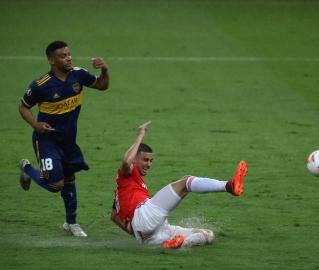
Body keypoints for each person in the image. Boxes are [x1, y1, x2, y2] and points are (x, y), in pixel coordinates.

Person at [18, 40, 110, 237]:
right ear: (52, 60)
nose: (68, 58)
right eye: (63, 56)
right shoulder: (41, 85)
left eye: (69, 54)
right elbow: (23, 106)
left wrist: (104, 71)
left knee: (69, 179)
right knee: (55, 184)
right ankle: (27, 168)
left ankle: (71, 223)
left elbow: (102, 86)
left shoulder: (78, 74)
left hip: (68, 141)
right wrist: (36, 124)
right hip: (46, 140)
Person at [110, 121, 248, 249]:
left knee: (208, 235)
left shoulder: (124, 188)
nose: (149, 165)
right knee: (185, 182)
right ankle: (229, 186)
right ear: (135, 159)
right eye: (145, 160)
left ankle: (178, 244)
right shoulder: (127, 172)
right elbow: (126, 162)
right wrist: (140, 135)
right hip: (144, 217)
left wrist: (135, 232)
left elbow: (114, 216)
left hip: (149, 234)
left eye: (151, 161)